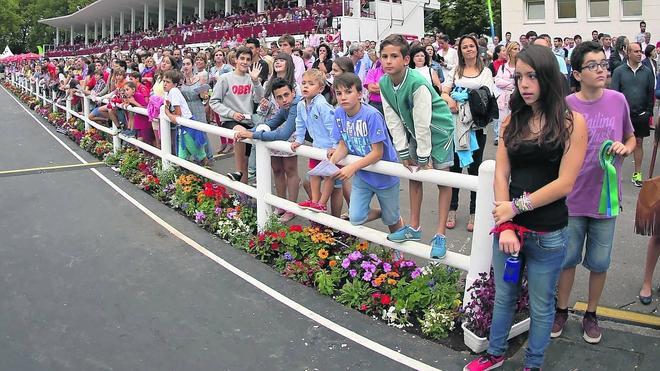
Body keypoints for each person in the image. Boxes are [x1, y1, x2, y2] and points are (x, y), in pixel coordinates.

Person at [464, 45, 588, 371]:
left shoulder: (573, 122)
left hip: (548, 231)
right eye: (519, 76)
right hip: (509, 230)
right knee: (503, 297)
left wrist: (513, 210)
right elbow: (501, 172)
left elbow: (565, 184)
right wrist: (505, 225)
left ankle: (533, 364)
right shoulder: (512, 121)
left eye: (532, 76)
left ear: (547, 76)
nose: (525, 84)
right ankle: (494, 353)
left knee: (542, 304)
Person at [553, 41, 636, 345]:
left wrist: (625, 149)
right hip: (572, 199)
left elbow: (631, 137)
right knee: (567, 260)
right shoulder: (565, 105)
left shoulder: (617, 101)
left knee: (599, 263)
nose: (601, 69)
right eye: (592, 65)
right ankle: (561, 310)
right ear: (576, 73)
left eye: (603, 63)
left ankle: (591, 313)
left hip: (606, 199)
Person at [379, 34, 455, 260]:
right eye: (384, 56)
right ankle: (414, 227)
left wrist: (424, 157)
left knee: (443, 179)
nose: (388, 61)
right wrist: (403, 151)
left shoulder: (418, 83)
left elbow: (424, 122)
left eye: (394, 56)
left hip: (439, 132)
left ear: (406, 60)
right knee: (414, 176)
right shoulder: (384, 83)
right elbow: (392, 118)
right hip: (415, 131)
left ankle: (440, 234)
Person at [328, 72, 404, 235]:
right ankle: (386, 212)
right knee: (355, 217)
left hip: (385, 177)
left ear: (360, 93)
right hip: (363, 175)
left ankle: (399, 255)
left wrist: (352, 168)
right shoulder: (338, 113)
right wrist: (331, 162)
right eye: (339, 93)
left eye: (348, 92)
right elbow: (343, 145)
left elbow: (377, 153)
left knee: (392, 221)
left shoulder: (372, 115)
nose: (343, 97)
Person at [442, 35, 495, 233]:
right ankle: (452, 209)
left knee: (475, 171)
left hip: (476, 128)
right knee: (455, 169)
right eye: (465, 47)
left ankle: (474, 212)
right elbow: (444, 91)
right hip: (457, 127)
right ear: (460, 50)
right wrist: (451, 100)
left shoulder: (485, 72)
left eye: (471, 46)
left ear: (477, 49)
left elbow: (488, 95)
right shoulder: (455, 71)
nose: (469, 49)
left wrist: (467, 97)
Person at [235, 78, 302, 222]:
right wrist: (246, 132)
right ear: (275, 98)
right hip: (294, 139)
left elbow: (284, 134)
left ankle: (291, 208)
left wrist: (252, 134)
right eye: (279, 97)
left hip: (326, 143)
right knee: (277, 170)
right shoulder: (285, 108)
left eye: (286, 95)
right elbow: (271, 123)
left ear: (293, 93)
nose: (284, 99)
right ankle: (281, 205)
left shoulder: (296, 105)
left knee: (291, 170)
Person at [210, 46, 265, 183]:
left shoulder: (251, 79)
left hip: (248, 121)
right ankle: (239, 172)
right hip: (230, 120)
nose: (245, 62)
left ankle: (243, 196)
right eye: (242, 58)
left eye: (248, 59)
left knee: (246, 162)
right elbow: (214, 101)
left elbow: (260, 99)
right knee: (241, 136)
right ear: (235, 59)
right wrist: (232, 113)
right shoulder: (225, 79)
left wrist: (256, 81)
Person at [291, 69, 338, 215]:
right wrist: (299, 139)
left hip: (329, 148)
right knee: (313, 173)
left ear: (320, 88)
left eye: (311, 84)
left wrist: (335, 146)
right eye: (303, 83)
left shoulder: (322, 105)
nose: (305, 86)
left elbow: (332, 126)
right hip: (316, 146)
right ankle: (315, 201)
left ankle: (322, 203)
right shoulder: (301, 104)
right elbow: (300, 123)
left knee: (329, 175)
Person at [610, 42, 655, 187]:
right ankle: (617, 174)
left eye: (640, 51)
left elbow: (650, 93)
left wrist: (648, 112)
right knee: (621, 144)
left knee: (639, 143)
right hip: (623, 116)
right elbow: (615, 95)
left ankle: (637, 174)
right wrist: (616, 114)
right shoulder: (619, 71)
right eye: (635, 51)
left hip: (641, 114)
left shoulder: (647, 71)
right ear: (628, 53)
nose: (639, 53)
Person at [180, 56, 212, 164]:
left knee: (201, 133)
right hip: (187, 109)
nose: (185, 66)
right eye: (184, 64)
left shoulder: (200, 78)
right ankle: (197, 157)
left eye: (188, 64)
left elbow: (206, 95)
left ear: (192, 65)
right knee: (190, 134)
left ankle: (209, 157)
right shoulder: (181, 80)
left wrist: (204, 95)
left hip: (198, 107)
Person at [494, 42, 520, 146]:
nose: (517, 51)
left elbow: (520, 82)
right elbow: (498, 81)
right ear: (509, 51)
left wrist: (511, 85)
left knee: (516, 122)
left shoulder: (521, 66)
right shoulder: (503, 67)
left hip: (516, 98)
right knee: (503, 123)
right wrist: (511, 85)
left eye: (518, 49)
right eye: (514, 49)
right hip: (503, 99)